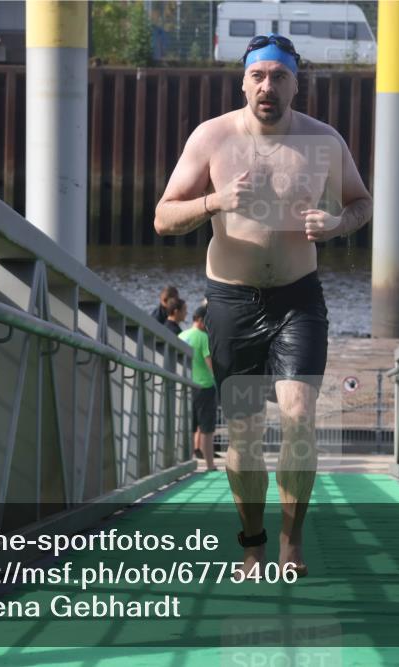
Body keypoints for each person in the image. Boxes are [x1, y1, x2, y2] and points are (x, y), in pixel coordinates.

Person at [153, 33, 373, 578]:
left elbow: (361, 202)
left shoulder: (324, 141)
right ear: (243, 80)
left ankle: (291, 541)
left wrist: (338, 224)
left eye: (278, 75)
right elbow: (162, 217)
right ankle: (252, 544)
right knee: (246, 435)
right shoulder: (213, 138)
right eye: (258, 76)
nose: (267, 86)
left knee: (299, 418)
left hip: (298, 299)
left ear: (297, 82)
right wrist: (216, 201)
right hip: (230, 299)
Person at [179, 306, 219, 471]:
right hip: (204, 386)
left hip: (185, 385)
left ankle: (186, 463)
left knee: (188, 427)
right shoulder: (203, 337)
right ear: (202, 320)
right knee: (206, 429)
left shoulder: (181, 335)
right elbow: (210, 363)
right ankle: (209, 465)